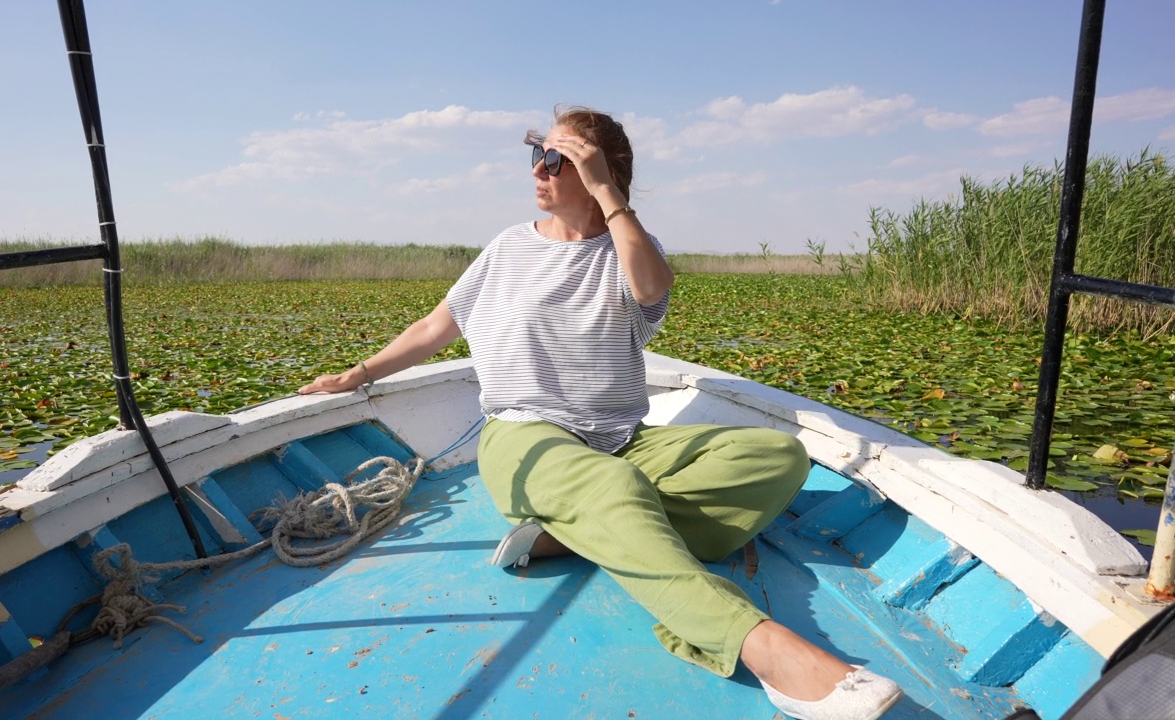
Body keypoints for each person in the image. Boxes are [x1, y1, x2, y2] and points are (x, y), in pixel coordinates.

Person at [299, 105, 903, 720]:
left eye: (557, 159)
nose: (540, 168)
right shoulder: (507, 247)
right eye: (536, 153)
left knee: (776, 455)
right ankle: (758, 643)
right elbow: (437, 324)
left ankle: (581, 536)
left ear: (597, 174)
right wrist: (361, 373)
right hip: (525, 440)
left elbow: (651, 289)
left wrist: (606, 192)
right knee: (616, 487)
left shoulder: (628, 250)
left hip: (621, 439)